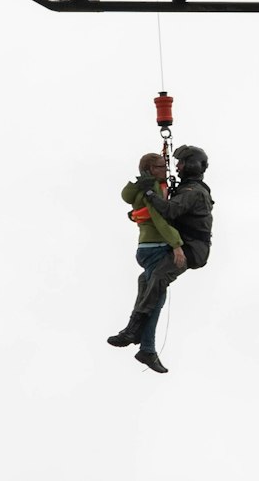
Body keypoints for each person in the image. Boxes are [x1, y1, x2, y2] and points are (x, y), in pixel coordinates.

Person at [105, 145, 214, 373]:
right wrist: (140, 209)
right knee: (146, 282)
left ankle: (134, 328)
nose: (176, 167)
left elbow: (168, 211)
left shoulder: (193, 191)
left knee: (158, 277)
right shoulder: (186, 188)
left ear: (191, 165)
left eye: (180, 163)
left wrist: (149, 194)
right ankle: (146, 348)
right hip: (184, 244)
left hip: (192, 249)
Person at [105, 153, 184, 372]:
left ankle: (143, 343)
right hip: (157, 247)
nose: (166, 170)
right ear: (150, 169)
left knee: (153, 296)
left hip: (146, 248)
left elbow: (127, 195)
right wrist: (176, 244)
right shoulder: (153, 189)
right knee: (154, 299)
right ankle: (142, 343)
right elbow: (158, 217)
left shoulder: (146, 186)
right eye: (161, 166)